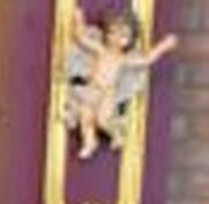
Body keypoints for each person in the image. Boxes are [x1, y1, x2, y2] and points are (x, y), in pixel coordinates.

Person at [65, 5, 178, 159]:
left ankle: (116, 132)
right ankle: (90, 142)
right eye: (112, 32)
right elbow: (81, 38)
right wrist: (78, 20)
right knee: (85, 117)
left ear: (131, 40)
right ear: (106, 33)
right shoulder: (100, 50)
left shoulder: (123, 59)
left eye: (123, 35)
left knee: (102, 119)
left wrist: (163, 46)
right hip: (92, 89)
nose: (116, 39)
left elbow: (146, 60)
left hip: (107, 93)